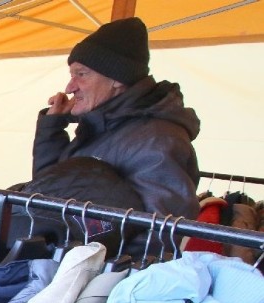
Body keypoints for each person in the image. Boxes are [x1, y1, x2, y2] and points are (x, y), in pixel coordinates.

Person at [34, 16, 200, 222]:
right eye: (71, 74)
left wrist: (90, 254)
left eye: (82, 74)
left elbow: (158, 235)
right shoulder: (102, 126)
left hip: (91, 254)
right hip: (73, 251)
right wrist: (52, 127)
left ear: (117, 79)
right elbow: (47, 192)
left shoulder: (156, 139)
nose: (70, 87)